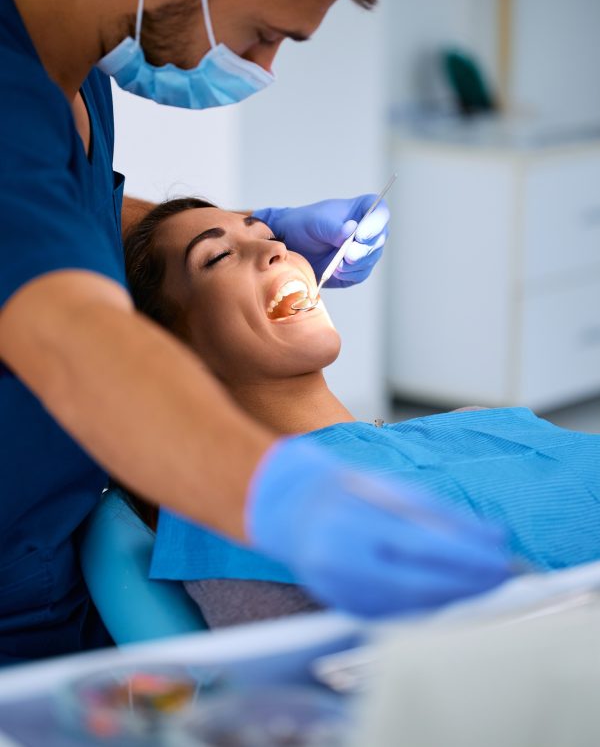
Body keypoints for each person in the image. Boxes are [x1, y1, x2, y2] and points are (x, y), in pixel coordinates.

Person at [0, 0, 509, 665]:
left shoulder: (65, 64)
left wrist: (247, 223)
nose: (263, 67)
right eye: (265, 34)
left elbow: (40, 210)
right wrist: (280, 498)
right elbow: (72, 339)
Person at [120, 199, 600, 628]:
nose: (277, 252)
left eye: (269, 236)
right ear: (174, 349)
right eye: (219, 256)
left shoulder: (481, 422)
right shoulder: (241, 516)